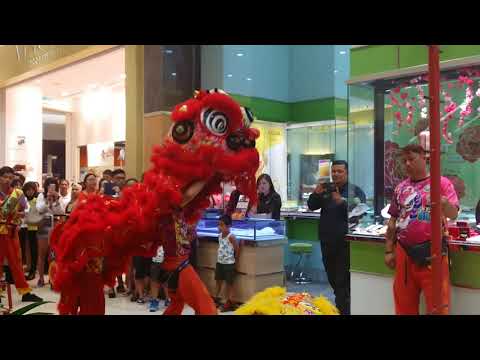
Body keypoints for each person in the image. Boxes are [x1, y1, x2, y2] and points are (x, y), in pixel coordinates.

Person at [384, 144, 459, 315]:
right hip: (403, 251)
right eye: (404, 161)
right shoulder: (400, 188)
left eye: (411, 159)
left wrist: (444, 203)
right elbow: (392, 222)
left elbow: (453, 214)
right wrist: (388, 250)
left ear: (424, 158)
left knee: (438, 307)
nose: (407, 164)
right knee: (404, 306)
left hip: (433, 251)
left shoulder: (441, 183)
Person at [307, 160, 366, 315]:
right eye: (334, 171)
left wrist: (342, 202)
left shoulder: (354, 191)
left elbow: (361, 211)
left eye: (340, 171)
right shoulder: (326, 189)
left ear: (346, 173)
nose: (336, 174)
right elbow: (312, 205)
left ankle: (344, 309)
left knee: (342, 281)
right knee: (333, 278)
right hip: (326, 241)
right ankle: (342, 306)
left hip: (344, 242)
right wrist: (316, 193)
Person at [0, 166, 43, 302]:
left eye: (11, 177)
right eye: (5, 176)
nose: (8, 180)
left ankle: (25, 292)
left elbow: (25, 211)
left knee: (17, 262)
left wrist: (18, 215)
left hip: (12, 232)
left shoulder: (18, 193)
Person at [36, 177, 65, 287]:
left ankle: (53, 278)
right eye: (49, 185)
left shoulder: (59, 197)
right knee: (42, 253)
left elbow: (61, 212)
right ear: (46, 186)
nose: (51, 188)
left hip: (56, 226)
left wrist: (57, 201)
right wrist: (47, 201)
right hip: (44, 225)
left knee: (54, 254)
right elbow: (39, 209)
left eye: (53, 185)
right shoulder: (41, 196)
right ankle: (41, 278)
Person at [214, 214, 239, 312]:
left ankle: (230, 302)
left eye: (221, 225)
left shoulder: (231, 237)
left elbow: (237, 249)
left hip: (229, 264)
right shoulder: (219, 236)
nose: (219, 227)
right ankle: (216, 299)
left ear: (229, 226)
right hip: (220, 263)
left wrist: (235, 261)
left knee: (229, 284)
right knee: (218, 281)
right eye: (218, 225)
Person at [23, 182, 41, 281]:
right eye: (28, 190)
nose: (30, 192)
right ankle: (27, 268)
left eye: (32, 190)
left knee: (34, 250)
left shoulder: (36, 200)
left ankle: (33, 271)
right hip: (23, 227)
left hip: (33, 228)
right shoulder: (23, 200)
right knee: (25, 250)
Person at [148, 245, 170, 312]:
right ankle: (154, 301)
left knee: (167, 281)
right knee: (154, 281)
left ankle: (168, 299)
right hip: (155, 259)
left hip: (168, 259)